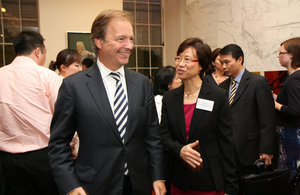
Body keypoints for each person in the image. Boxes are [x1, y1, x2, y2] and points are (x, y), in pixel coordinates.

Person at [48, 9, 166, 195]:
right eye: (121, 39)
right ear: (98, 41)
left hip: (138, 184)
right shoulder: (74, 87)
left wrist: (158, 175)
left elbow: (152, 137)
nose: (129, 45)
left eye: (131, 39)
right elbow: (58, 144)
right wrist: (70, 185)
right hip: (94, 186)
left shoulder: (142, 83)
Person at [160, 38, 238, 195]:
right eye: (178, 58)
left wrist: (231, 186)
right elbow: (164, 136)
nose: (180, 64)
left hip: (208, 177)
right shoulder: (170, 98)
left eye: (187, 59)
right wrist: (179, 149)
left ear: (201, 65)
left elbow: (226, 143)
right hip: (179, 179)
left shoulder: (217, 96)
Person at [0, 30, 62, 195]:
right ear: (37, 51)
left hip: (6, 160)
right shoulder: (47, 77)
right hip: (42, 158)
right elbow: (63, 118)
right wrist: (72, 147)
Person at [219, 44, 276, 194]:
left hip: (251, 150)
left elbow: (267, 119)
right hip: (228, 151)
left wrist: (266, 149)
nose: (223, 66)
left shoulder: (258, 82)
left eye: (227, 62)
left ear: (239, 60)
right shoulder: (222, 87)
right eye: (221, 63)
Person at [275, 37, 300, 176]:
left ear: (291, 54)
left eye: (281, 53)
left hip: (292, 135)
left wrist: (275, 104)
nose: (278, 56)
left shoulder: (295, 78)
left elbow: (295, 110)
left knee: (292, 175)